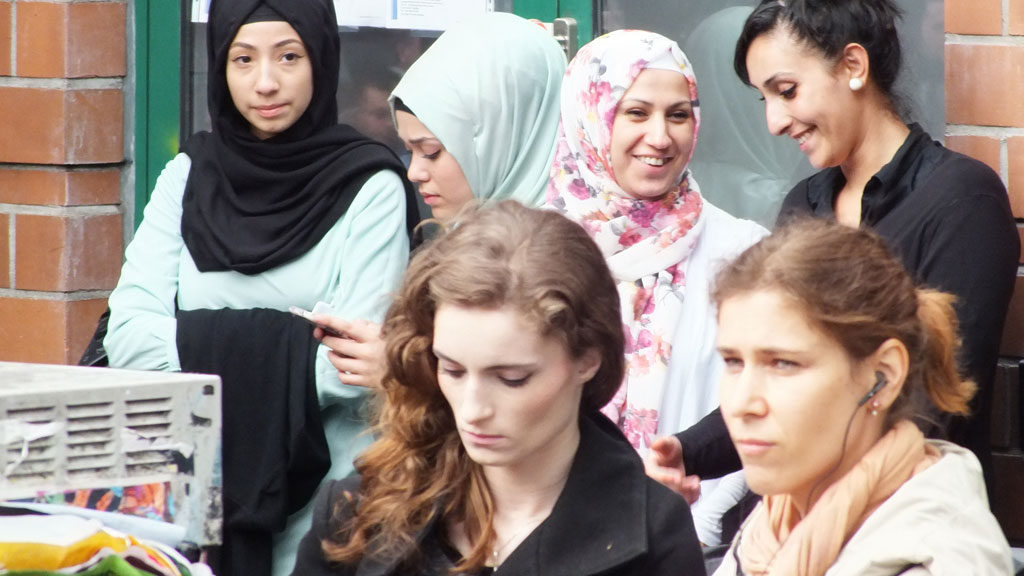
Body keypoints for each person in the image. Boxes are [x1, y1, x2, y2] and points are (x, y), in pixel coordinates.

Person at [647, 0, 1018, 502]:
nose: (775, 122)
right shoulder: (806, 203)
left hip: (912, 520)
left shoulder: (960, 198)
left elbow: (939, 403)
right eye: (764, 100)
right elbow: (775, 376)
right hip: (802, 518)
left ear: (853, 66)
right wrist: (685, 452)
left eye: (786, 91)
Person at [103, 1, 417, 574]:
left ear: (321, 59)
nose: (266, 82)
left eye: (289, 56)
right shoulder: (189, 174)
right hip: (189, 497)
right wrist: (292, 342)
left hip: (328, 499)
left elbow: (349, 372)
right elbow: (126, 341)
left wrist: (192, 336)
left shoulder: (369, 185)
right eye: (243, 59)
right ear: (220, 66)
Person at [291, 201, 706, 576]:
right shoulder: (358, 509)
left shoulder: (655, 535)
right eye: (452, 370)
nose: (473, 408)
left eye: (511, 379)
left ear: (588, 360)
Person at [545, 29, 766, 545]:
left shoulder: (744, 252)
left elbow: (766, 402)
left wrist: (707, 519)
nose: (662, 137)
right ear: (591, 117)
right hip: (556, 541)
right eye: (636, 113)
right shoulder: (537, 253)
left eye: (678, 114)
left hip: (699, 543)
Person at [710, 219, 1012, 575]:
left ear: (883, 378)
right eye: (732, 362)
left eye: (783, 364)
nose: (742, 403)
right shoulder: (774, 525)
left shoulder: (936, 561)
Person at [314, 12, 566, 389]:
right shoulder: (462, 239)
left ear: (498, 137)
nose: (414, 172)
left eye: (431, 152)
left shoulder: (559, 258)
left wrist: (404, 371)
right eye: (409, 151)